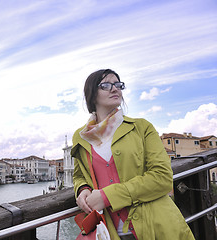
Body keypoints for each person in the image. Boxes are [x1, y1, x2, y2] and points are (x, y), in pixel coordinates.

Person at [72, 69, 194, 240]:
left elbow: (162, 177)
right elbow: (79, 175)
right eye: (106, 85)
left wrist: (107, 197)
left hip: (157, 226)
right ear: (91, 95)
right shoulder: (81, 136)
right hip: (109, 231)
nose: (115, 89)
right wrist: (83, 189)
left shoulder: (142, 127)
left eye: (118, 85)